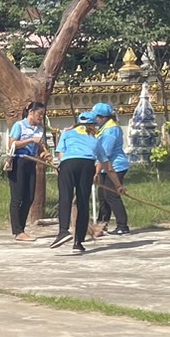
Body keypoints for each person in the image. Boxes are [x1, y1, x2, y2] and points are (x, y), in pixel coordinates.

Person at [51, 112, 101, 253]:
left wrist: (62, 167)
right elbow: (102, 160)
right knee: (83, 202)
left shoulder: (67, 133)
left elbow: (61, 153)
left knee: (65, 197)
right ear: (93, 125)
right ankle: (78, 242)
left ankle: (63, 231)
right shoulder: (96, 137)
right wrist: (97, 174)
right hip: (87, 164)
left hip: (68, 163)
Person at [7, 102, 47, 241]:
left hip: (31, 162)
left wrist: (44, 154)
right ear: (31, 112)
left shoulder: (40, 129)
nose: (40, 117)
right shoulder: (19, 126)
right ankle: (17, 230)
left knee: (29, 197)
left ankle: (22, 228)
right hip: (19, 161)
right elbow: (12, 144)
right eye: (39, 114)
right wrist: (30, 140)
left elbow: (40, 148)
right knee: (17, 198)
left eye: (42, 115)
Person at [92, 102, 131, 235]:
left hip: (115, 166)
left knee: (111, 195)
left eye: (96, 117)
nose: (95, 120)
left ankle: (122, 225)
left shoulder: (111, 130)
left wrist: (96, 172)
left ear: (103, 117)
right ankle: (102, 223)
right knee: (102, 196)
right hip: (104, 167)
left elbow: (105, 153)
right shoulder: (103, 128)